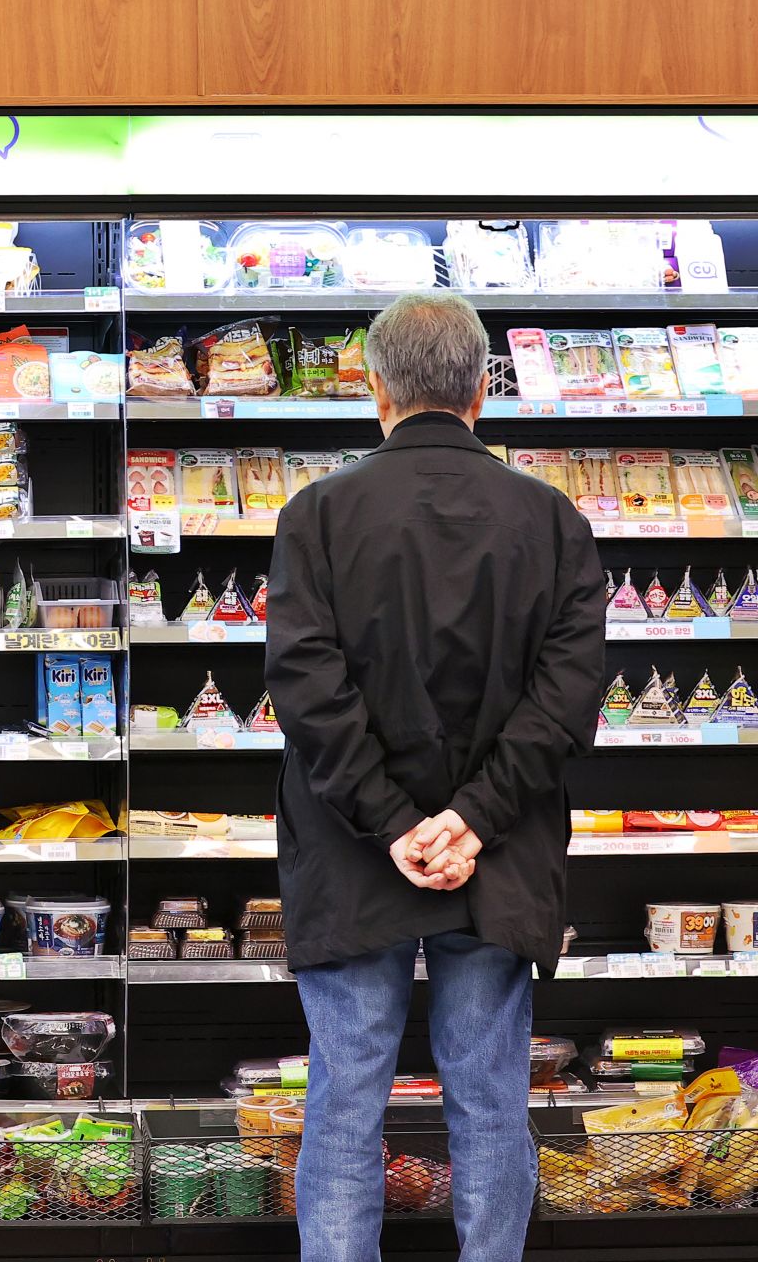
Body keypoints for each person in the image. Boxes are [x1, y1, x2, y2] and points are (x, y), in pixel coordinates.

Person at [264, 292, 607, 1262]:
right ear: (480, 391)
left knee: (344, 1101)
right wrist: (470, 820)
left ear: (375, 387)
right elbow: (567, 697)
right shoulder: (551, 520)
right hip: (496, 862)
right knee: (492, 1102)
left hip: (349, 853)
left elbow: (307, 688)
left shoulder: (317, 515)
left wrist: (393, 822)